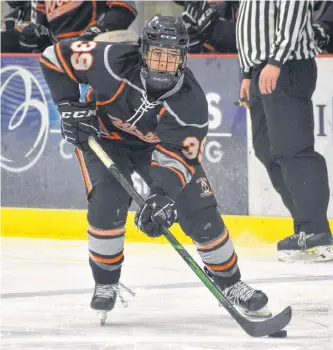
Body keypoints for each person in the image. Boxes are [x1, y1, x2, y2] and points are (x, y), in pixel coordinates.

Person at [40, 15, 271, 320]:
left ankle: (231, 283)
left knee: (197, 207)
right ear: (143, 51)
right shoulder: (111, 61)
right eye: (156, 53)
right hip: (104, 138)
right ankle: (106, 283)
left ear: (183, 58)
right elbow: (53, 56)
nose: (163, 62)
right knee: (107, 202)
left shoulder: (191, 104)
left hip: (154, 147)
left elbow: (177, 157)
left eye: (171, 55)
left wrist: (163, 197)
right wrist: (68, 105)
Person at [236, 1, 332, 262]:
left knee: (293, 149)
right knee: (267, 148)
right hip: (261, 69)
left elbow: (294, 11)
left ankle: (315, 231)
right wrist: (247, 72)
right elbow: (250, 21)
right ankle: (305, 227)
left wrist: (277, 60)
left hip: (285, 65)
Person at [19, 0, 137, 52]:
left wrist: (95, 32)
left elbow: (125, 8)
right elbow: (37, 28)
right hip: (59, 57)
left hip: (96, 51)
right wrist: (32, 36)